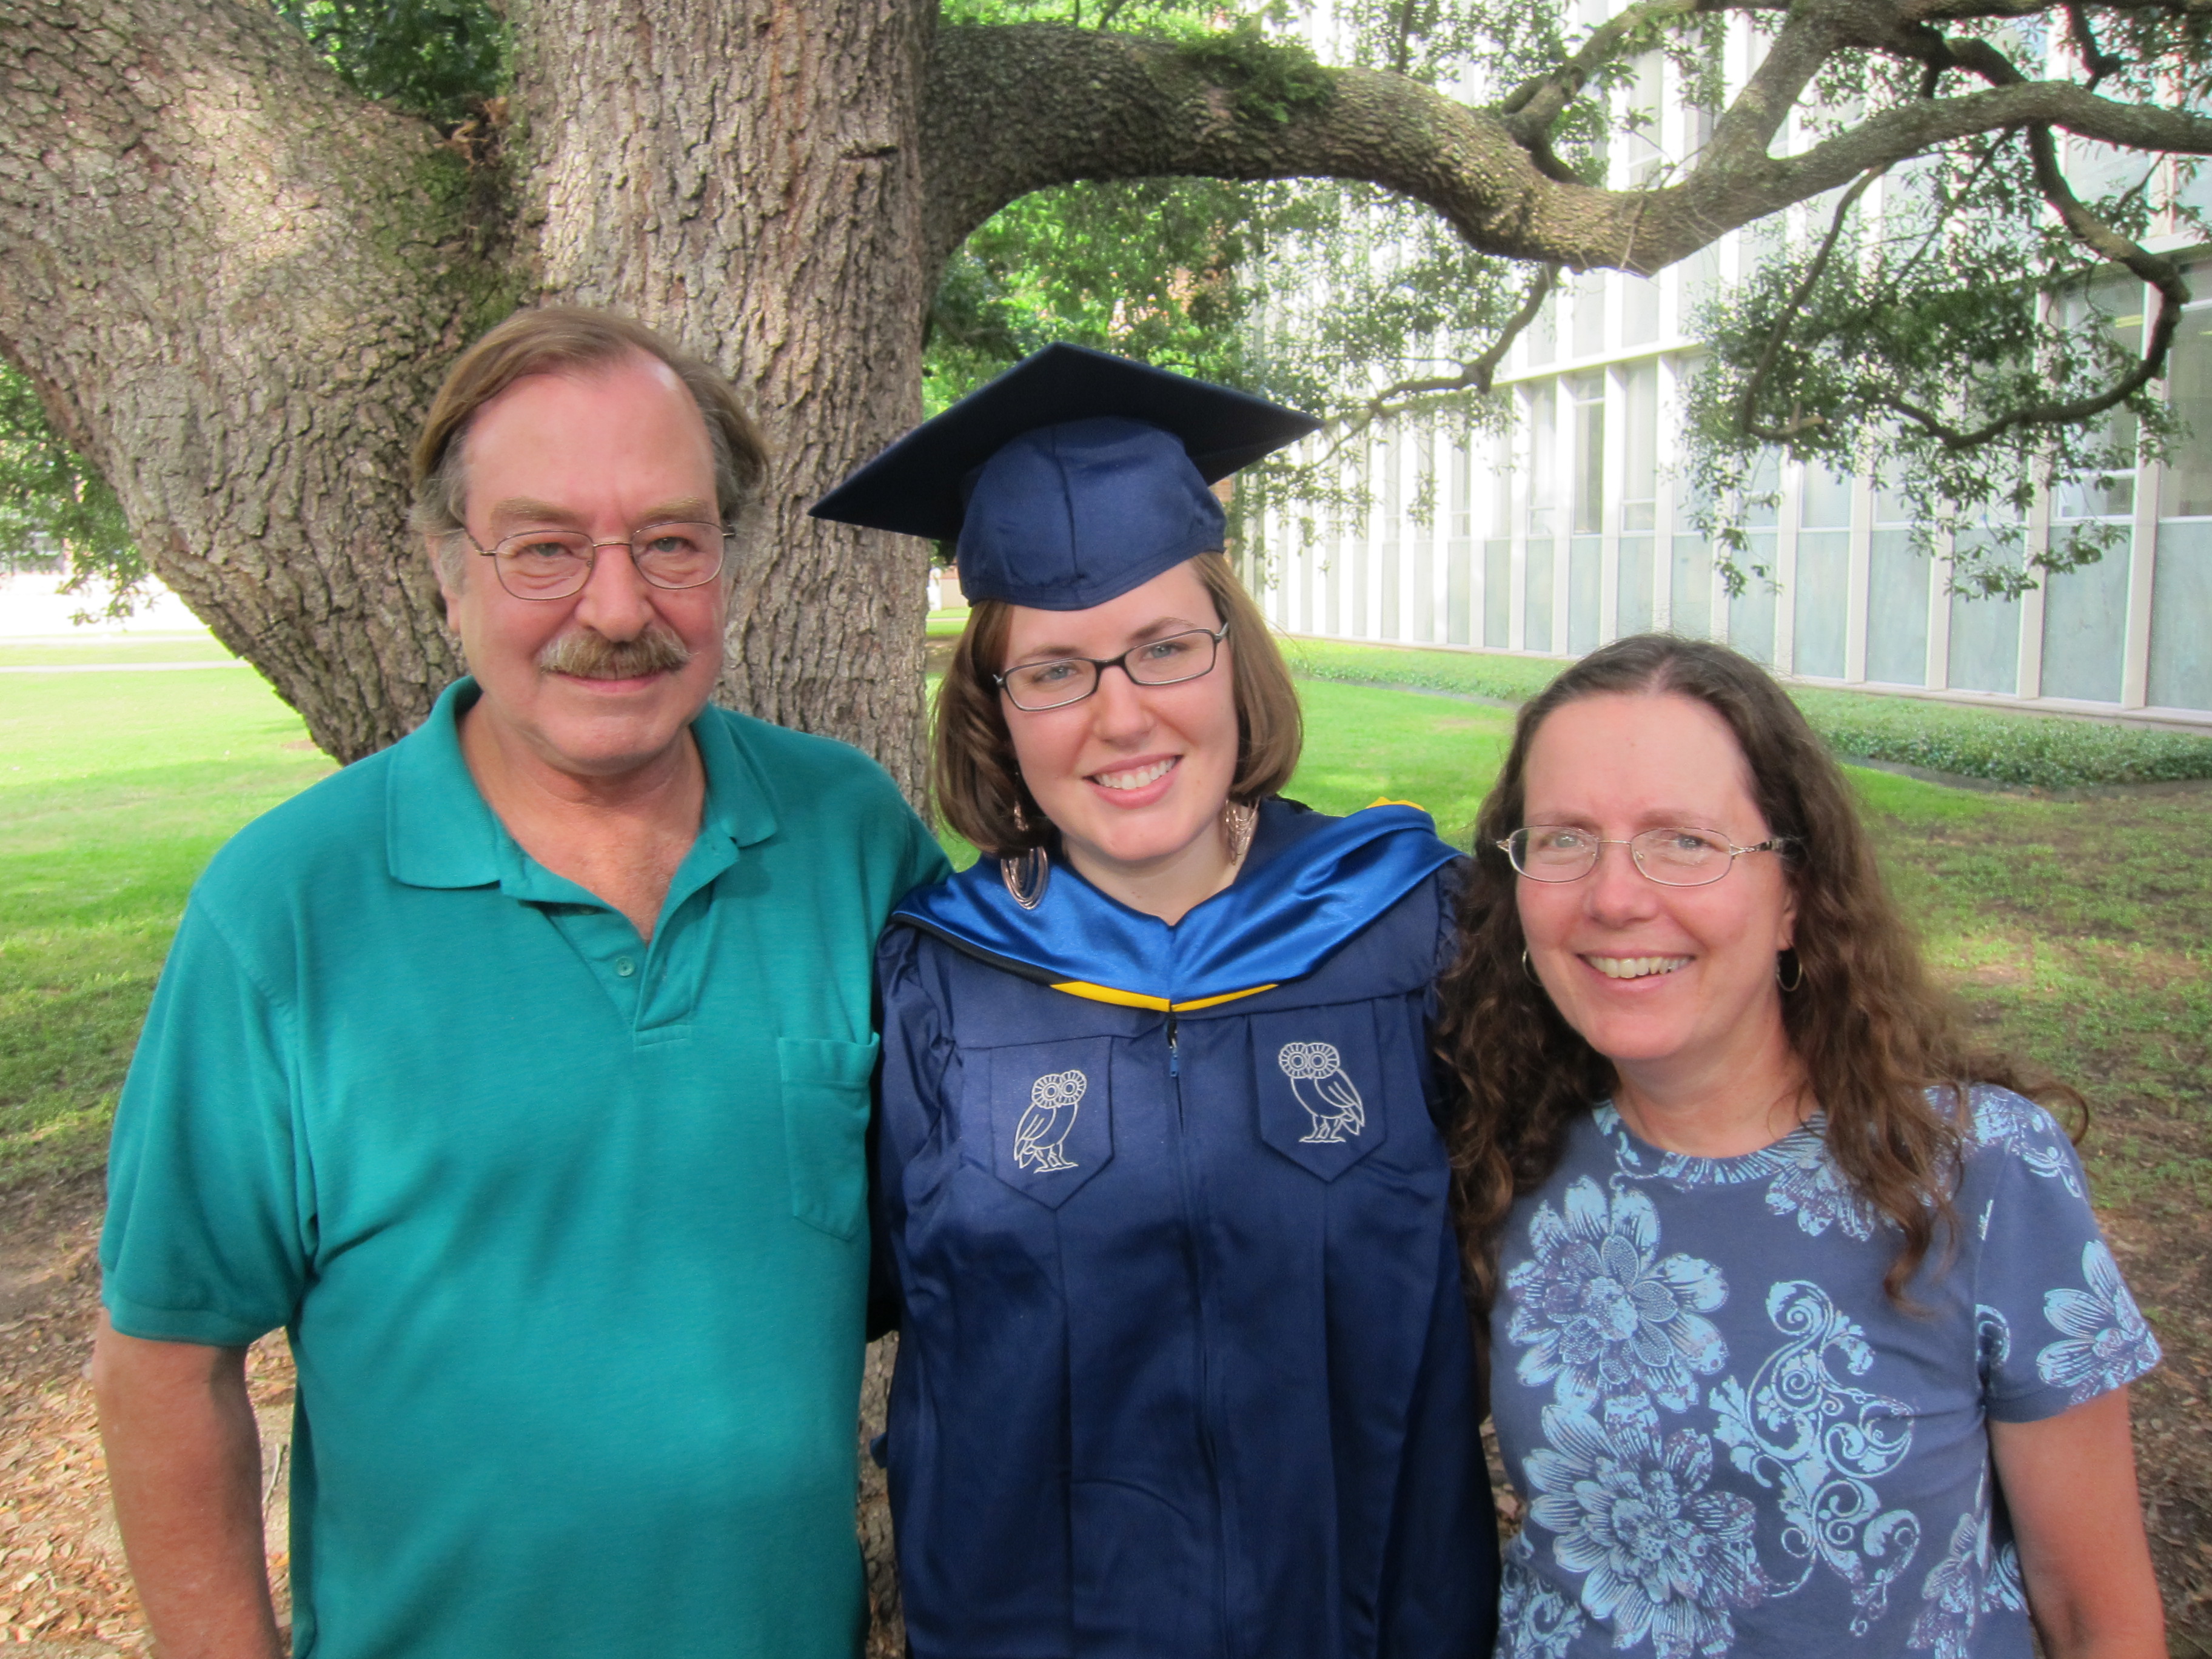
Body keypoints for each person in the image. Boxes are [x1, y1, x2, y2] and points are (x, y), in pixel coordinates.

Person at [92, 307, 948, 1659]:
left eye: (671, 542)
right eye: (545, 548)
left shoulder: (851, 841)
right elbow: (164, 1364)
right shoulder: (288, 912)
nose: (618, 608)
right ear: (450, 572)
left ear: (729, 561)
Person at [811, 343, 1500, 1659]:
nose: (1120, 717)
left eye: (1165, 648)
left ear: (1234, 656)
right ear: (997, 708)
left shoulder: (1413, 931)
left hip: (1373, 1620)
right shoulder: (940, 983)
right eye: (1054, 669)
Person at [1436, 634, 2165, 1659]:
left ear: (1795, 893)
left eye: (1684, 841)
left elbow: (2098, 1616)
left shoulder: (1979, 1172)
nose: (1614, 897)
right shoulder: (1502, 1156)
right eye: (1564, 839)